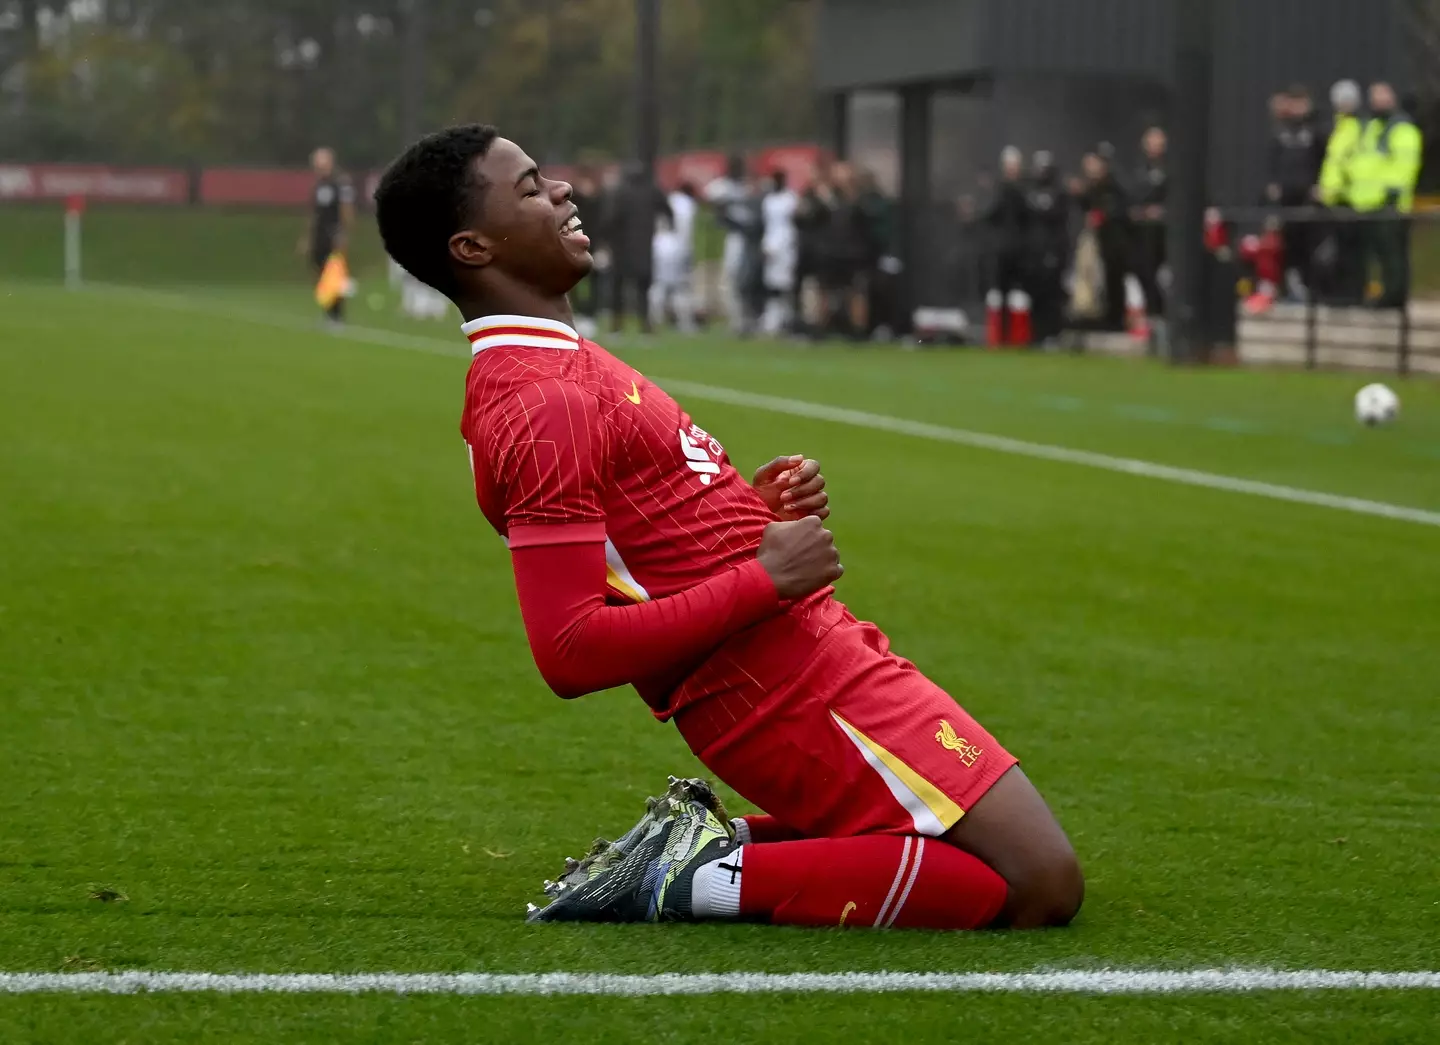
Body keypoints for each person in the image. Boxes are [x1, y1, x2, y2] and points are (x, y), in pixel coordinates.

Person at [374, 124, 1082, 932]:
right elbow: (567, 649)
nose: (563, 191)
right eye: (531, 188)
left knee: (1016, 863)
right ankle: (689, 876)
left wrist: (760, 513)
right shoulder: (542, 398)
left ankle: (707, 846)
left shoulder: (559, 364)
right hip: (780, 688)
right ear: (472, 247)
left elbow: (650, 540)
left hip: (806, 650)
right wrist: (766, 576)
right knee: (1033, 883)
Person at [1350, 82, 1423, 309]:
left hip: (1389, 203)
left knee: (1392, 254)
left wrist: (1392, 193)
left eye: (1381, 96)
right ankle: (1383, 293)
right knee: (1377, 254)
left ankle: (1394, 296)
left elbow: (1405, 164)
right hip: (1367, 202)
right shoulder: (1372, 128)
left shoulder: (1401, 128)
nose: (1377, 101)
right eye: (1373, 97)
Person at [1265, 85, 1325, 299]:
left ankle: (1309, 286)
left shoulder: (1315, 132)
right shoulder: (1281, 133)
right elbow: (1272, 160)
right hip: (1286, 197)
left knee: (1308, 242)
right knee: (1287, 243)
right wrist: (1273, 183)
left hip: (1307, 196)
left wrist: (1319, 185)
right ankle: (1289, 285)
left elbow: (1323, 159)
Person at [605, 162, 671, 334]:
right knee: (643, 288)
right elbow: (667, 210)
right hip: (644, 248)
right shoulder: (651, 191)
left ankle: (617, 325)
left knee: (618, 288)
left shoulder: (620, 193)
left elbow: (611, 219)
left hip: (621, 248)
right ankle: (646, 325)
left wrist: (605, 240)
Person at [1317, 80, 1366, 305]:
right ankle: (1339, 292)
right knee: (1337, 249)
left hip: (1350, 197)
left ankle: (1352, 293)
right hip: (1334, 198)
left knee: (1351, 250)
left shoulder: (1359, 128)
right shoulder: (1337, 128)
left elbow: (1355, 164)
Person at [1075, 150, 1131, 332]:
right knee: (1097, 280)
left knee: (1114, 281)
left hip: (1115, 244)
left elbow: (1120, 210)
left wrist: (1102, 216)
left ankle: (1117, 320)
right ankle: (1104, 317)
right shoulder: (1092, 189)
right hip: (1099, 243)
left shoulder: (1113, 187)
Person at [300, 147, 355, 326]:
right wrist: (307, 238)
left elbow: (346, 210)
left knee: (335, 274)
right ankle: (327, 312)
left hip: (334, 235)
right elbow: (313, 213)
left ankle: (337, 315)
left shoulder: (341, 183)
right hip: (319, 236)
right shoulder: (318, 185)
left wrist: (344, 233)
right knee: (319, 273)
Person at [984, 147, 1033, 346]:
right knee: (1002, 293)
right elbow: (991, 216)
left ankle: (1022, 336)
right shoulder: (1000, 190)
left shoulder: (1024, 190)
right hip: (1003, 251)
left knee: (1023, 293)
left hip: (1022, 251)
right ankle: (1002, 336)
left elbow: (1029, 218)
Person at [1026, 151, 1070, 345]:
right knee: (1035, 296)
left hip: (1052, 252)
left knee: (1053, 296)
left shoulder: (1059, 193)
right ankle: (1036, 334)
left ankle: (1054, 334)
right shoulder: (1029, 193)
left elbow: (1060, 223)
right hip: (1034, 252)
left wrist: (1057, 253)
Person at [704, 156, 751, 333]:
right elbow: (712, 202)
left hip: (746, 237)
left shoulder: (746, 187)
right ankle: (736, 320)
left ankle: (743, 320)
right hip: (731, 236)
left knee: (742, 280)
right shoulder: (721, 186)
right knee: (731, 278)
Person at [1131, 128, 1168, 332]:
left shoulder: (1171, 169)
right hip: (1143, 232)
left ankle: (1162, 312)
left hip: (1164, 233)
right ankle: (1154, 312)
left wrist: (1162, 211)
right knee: (1143, 270)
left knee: (1160, 273)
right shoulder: (1140, 171)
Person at [760, 170, 799, 335]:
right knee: (771, 284)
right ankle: (772, 318)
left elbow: (790, 226)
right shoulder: (768, 200)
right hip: (770, 245)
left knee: (786, 284)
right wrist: (766, 245)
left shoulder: (791, 199)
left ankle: (788, 318)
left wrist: (781, 245)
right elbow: (768, 225)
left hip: (786, 246)